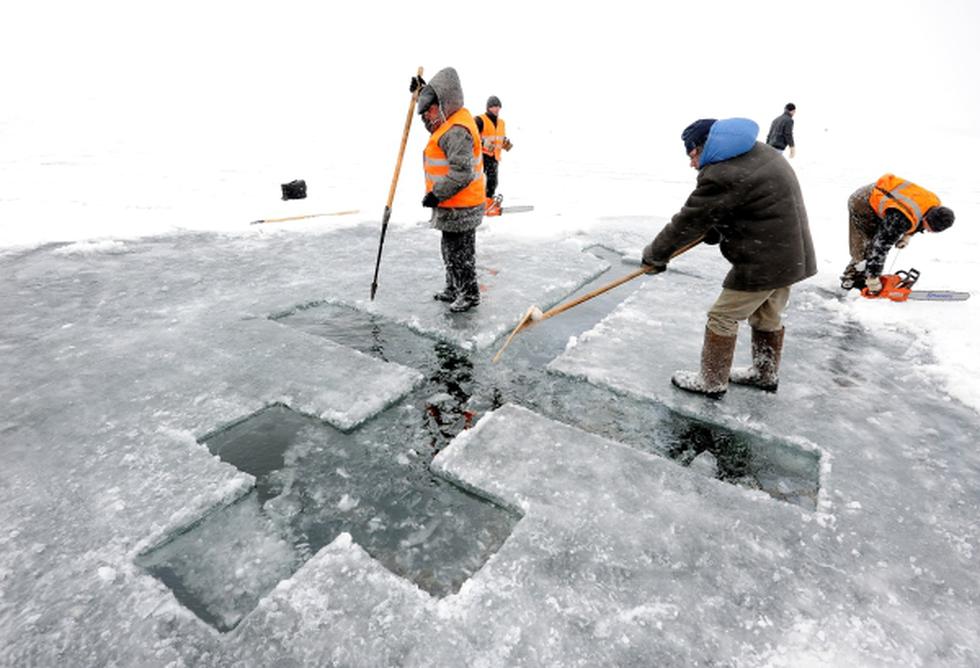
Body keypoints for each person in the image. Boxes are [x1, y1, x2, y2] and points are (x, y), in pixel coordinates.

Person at [642, 117, 816, 398]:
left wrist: (655, 255)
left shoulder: (723, 174)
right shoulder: (759, 152)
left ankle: (711, 381)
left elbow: (688, 220)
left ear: (705, 146)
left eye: (692, 154)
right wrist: (716, 228)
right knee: (767, 314)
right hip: (790, 252)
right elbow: (747, 203)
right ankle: (764, 373)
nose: (692, 163)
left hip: (764, 258)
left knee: (722, 316)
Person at [412, 67, 486, 313]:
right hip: (453, 204)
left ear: (444, 104)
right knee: (449, 250)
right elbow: (433, 109)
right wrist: (421, 92)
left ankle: (469, 294)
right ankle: (454, 287)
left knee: (460, 254)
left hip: (462, 205)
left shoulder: (456, 131)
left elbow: (462, 172)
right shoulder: (449, 118)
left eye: (430, 110)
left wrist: (436, 194)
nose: (426, 117)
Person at [840, 175, 954, 292]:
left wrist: (907, 236)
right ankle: (851, 279)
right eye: (929, 229)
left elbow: (917, 217)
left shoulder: (934, 206)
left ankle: (865, 273)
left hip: (888, 198)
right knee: (867, 244)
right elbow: (880, 246)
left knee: (879, 238)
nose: (928, 231)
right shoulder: (900, 219)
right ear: (927, 219)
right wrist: (873, 277)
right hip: (863, 202)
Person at [474, 96, 512, 215]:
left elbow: (498, 137)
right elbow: (470, 135)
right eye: (493, 106)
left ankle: (488, 204)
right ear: (488, 108)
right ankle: (475, 205)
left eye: (498, 106)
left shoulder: (501, 123)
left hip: (494, 157)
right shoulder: (480, 120)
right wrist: (483, 143)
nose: (496, 109)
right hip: (481, 156)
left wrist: (504, 143)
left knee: (492, 183)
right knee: (478, 183)